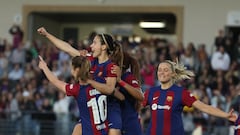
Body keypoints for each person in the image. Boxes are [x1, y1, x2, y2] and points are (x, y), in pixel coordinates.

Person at [37, 27, 124, 135]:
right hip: (92, 107)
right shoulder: (89, 59)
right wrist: (47, 34)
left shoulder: (111, 67)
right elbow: (68, 48)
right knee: (77, 131)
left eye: (94, 43)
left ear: (104, 47)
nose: (91, 46)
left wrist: (89, 82)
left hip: (110, 108)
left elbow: (110, 90)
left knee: (113, 132)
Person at [142, 59, 237, 135]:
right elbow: (135, 106)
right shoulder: (150, 92)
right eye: (159, 70)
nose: (162, 72)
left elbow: (204, 107)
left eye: (166, 70)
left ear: (173, 74)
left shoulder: (181, 92)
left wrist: (226, 115)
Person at [38, 55, 109, 135]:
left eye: (72, 69)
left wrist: (44, 67)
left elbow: (55, 81)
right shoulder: (100, 81)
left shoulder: (77, 89)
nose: (71, 71)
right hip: (105, 130)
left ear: (77, 70)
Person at [112, 52, 144, 135]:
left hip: (129, 125)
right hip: (119, 124)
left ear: (120, 65)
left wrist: (120, 81)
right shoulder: (110, 79)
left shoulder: (127, 77)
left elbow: (140, 96)